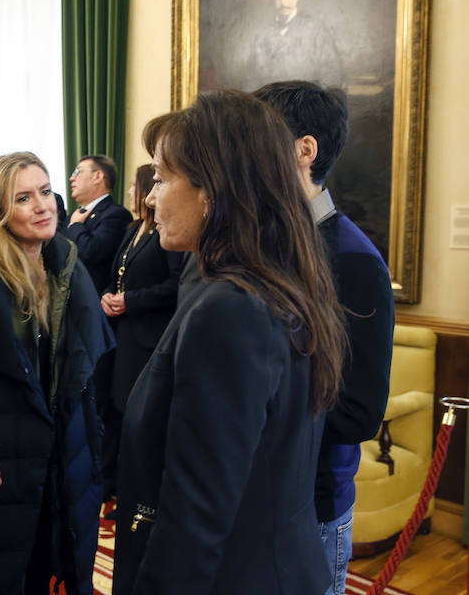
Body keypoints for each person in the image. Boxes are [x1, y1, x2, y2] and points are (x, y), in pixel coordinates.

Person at [113, 90, 347, 595]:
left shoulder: (231, 308)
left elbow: (194, 519)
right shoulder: (274, 278)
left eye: (161, 177)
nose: (151, 198)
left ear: (213, 190)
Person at [0, 152, 113, 595]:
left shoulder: (66, 265)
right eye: (23, 198)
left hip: (62, 457)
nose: (42, 205)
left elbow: (85, 374)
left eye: (44, 190)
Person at [254, 80, 395, 595]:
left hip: (309, 504)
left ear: (304, 151)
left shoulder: (353, 262)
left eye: (256, 139)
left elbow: (358, 411)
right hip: (251, 493)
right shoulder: (263, 244)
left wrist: (248, 407)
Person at [98, 164, 185, 505]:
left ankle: (134, 492)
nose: (135, 193)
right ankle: (114, 486)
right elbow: (117, 274)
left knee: (136, 413)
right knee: (116, 410)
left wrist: (130, 301)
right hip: (122, 335)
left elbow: (175, 285)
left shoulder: (168, 236)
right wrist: (109, 293)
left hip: (147, 338)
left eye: (139, 185)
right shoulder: (134, 228)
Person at [247, 0, 344, 90]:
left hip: (306, 104)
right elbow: (250, 79)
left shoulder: (315, 30)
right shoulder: (262, 34)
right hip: (269, 104)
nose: (283, 1)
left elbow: (331, 74)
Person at [65, 155, 133, 294]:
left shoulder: (116, 214)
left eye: (78, 172)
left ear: (97, 176)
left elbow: (92, 251)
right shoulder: (73, 215)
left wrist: (76, 226)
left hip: (94, 301)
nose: (72, 178)